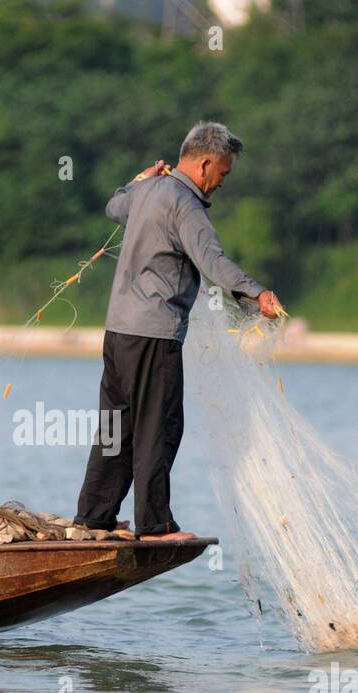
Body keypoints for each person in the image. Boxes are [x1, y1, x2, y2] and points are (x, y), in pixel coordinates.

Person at [74, 121, 284, 541]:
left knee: (118, 426)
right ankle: (155, 524)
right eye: (223, 173)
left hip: (118, 333)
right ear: (205, 164)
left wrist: (142, 177)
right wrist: (256, 294)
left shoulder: (147, 190)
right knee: (159, 426)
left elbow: (113, 205)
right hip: (154, 334)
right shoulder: (185, 205)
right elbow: (214, 263)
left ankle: (93, 518)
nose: (222, 182)